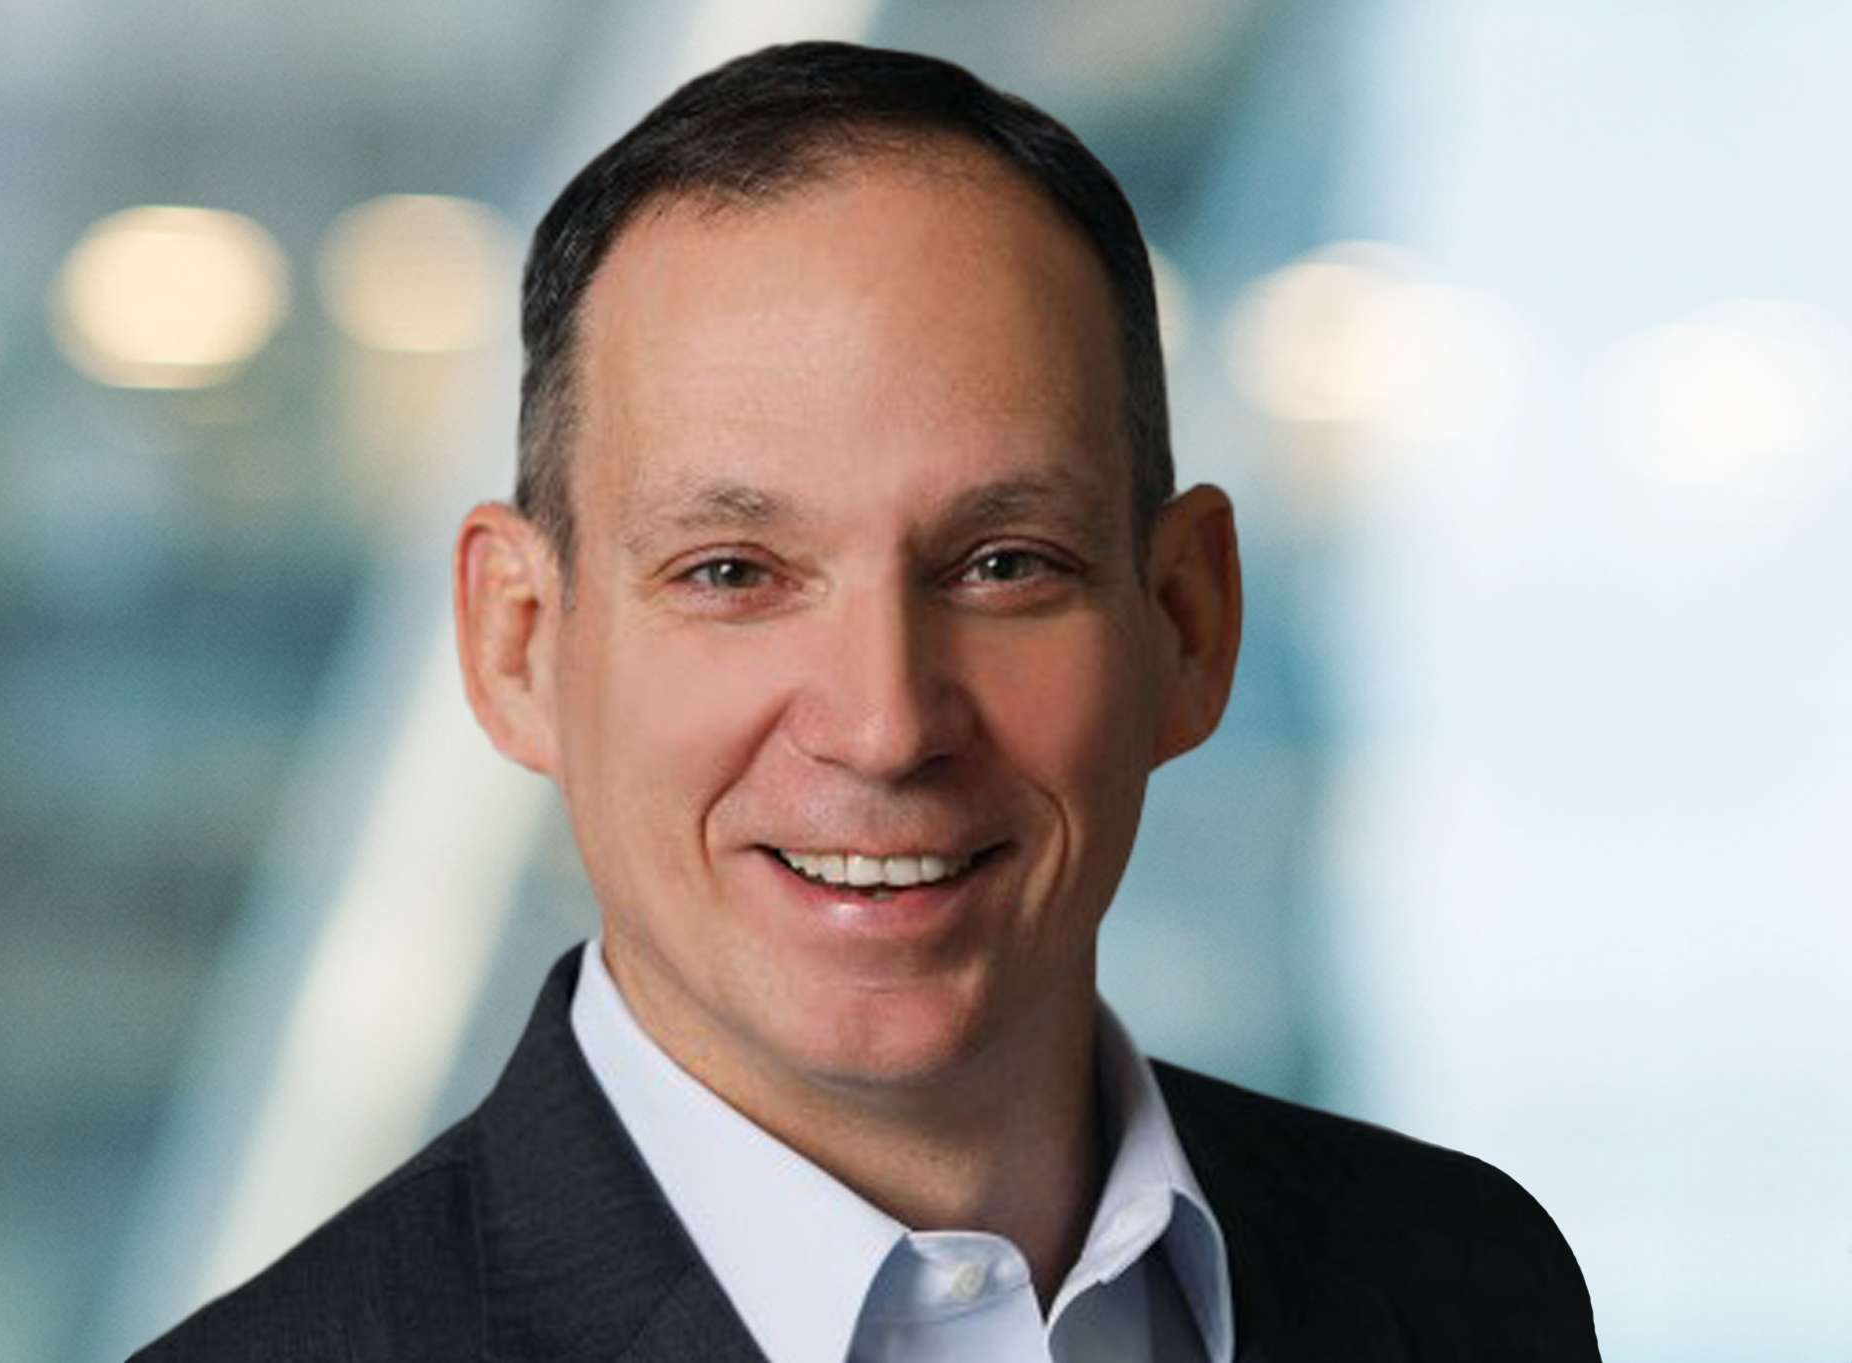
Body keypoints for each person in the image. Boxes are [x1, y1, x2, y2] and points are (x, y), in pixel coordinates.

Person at [133, 41, 1599, 1363]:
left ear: (1187, 623)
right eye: (732, 572)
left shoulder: (1470, 1285)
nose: (887, 722)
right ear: (518, 645)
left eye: (1002, 563)